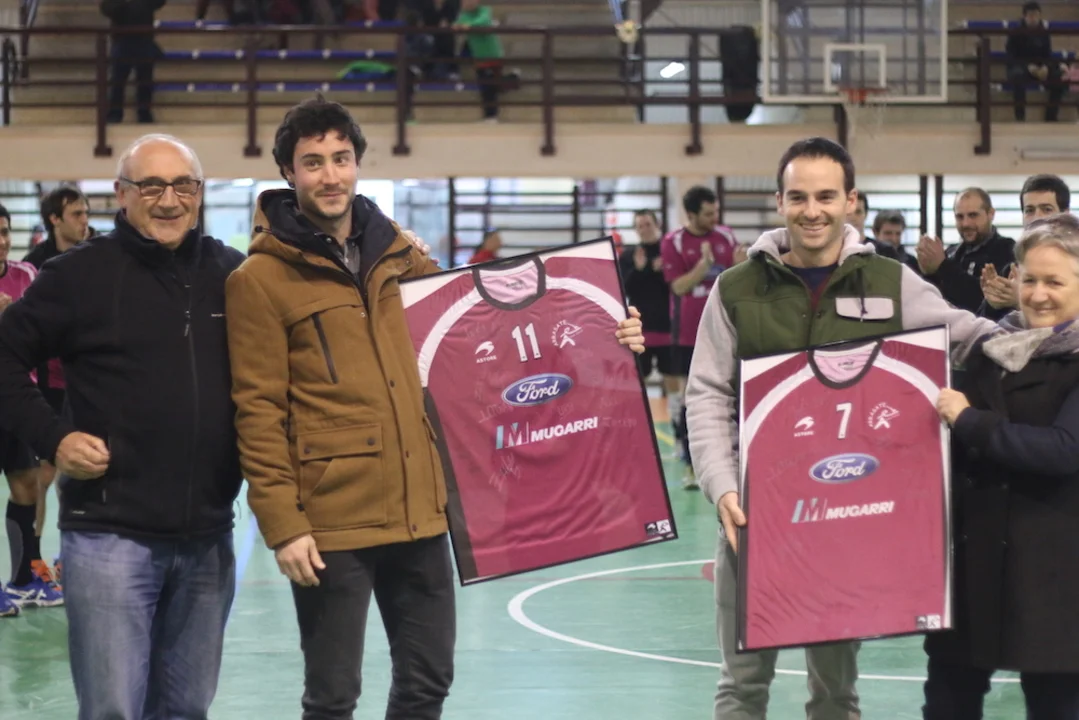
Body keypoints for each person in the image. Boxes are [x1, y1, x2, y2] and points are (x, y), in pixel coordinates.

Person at [224, 94, 646, 720]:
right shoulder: (258, 282)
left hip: (422, 512)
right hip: (333, 520)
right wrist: (283, 525)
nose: (330, 175)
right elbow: (258, 412)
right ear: (288, 172)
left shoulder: (405, 258)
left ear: (358, 163)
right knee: (333, 697)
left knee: (428, 684)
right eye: (313, 163)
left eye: (341, 158)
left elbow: (486, 345)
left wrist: (604, 336)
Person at [684, 136, 999, 720]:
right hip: (754, 520)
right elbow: (707, 394)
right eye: (799, 197)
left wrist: (1051, 332)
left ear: (850, 200)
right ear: (780, 201)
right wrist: (722, 486)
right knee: (741, 689)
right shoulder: (735, 289)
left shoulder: (889, 281)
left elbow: (965, 335)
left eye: (827, 196)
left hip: (844, 522)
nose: (813, 211)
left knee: (835, 694)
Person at [0, 133, 244, 718]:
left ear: (199, 192)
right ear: (122, 194)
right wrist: (53, 437)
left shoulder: (233, 275)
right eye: (151, 186)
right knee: (113, 710)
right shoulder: (77, 276)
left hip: (208, 539)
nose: (169, 200)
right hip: (110, 539)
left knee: (187, 709)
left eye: (183, 185)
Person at [926, 212, 1079, 719]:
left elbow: (1063, 449)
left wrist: (971, 422)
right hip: (974, 566)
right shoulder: (990, 348)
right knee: (947, 701)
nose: (1038, 294)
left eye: (1055, 282)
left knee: (1056, 706)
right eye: (1029, 280)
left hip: (1054, 575)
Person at [22, 184, 94, 590]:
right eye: (77, 215)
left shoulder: (98, 256)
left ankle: (70, 562)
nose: (85, 222)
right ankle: (33, 564)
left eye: (86, 213)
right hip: (47, 386)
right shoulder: (35, 266)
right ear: (55, 219)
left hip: (87, 385)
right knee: (41, 479)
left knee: (78, 475)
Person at [0, 204, 62, 617]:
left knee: (27, 485)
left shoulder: (26, 275)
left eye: (5, 232)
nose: (2, 241)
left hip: (15, 399)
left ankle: (23, 579)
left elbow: (44, 331)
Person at [661, 185, 738, 489]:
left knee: (729, 398)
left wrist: (741, 263)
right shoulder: (674, 242)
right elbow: (678, 287)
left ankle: (731, 461)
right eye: (708, 214)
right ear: (691, 215)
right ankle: (690, 464)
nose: (714, 218)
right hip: (687, 334)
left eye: (716, 211)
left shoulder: (726, 236)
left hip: (725, 331)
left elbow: (736, 278)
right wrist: (702, 267)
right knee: (690, 401)